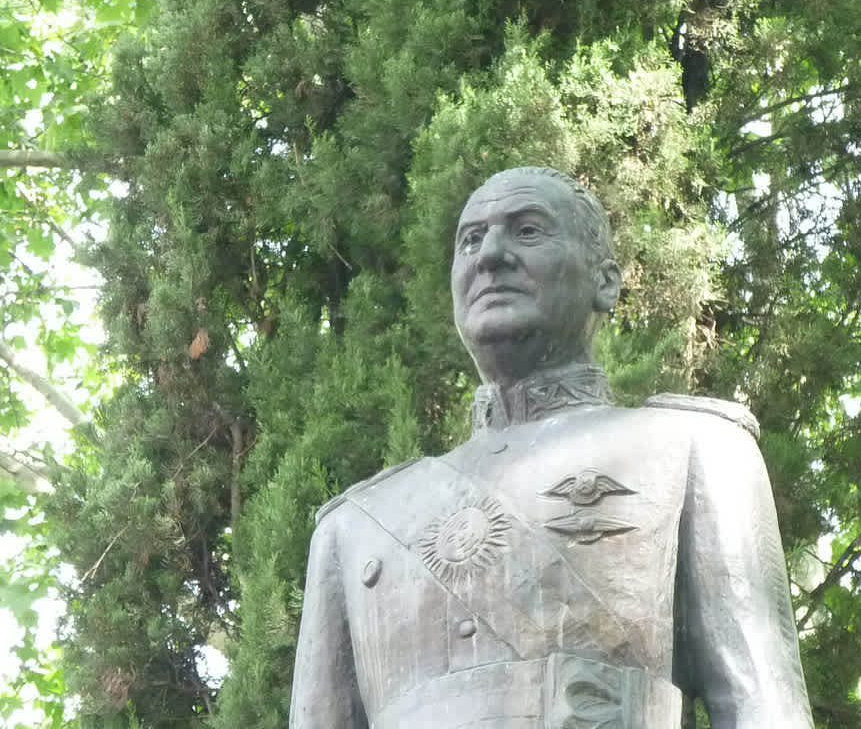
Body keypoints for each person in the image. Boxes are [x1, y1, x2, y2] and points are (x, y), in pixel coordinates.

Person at [289, 167, 814, 728]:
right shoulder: (354, 527)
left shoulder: (694, 448)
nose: (489, 255)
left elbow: (763, 704)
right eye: (471, 240)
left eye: (528, 231)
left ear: (605, 283)